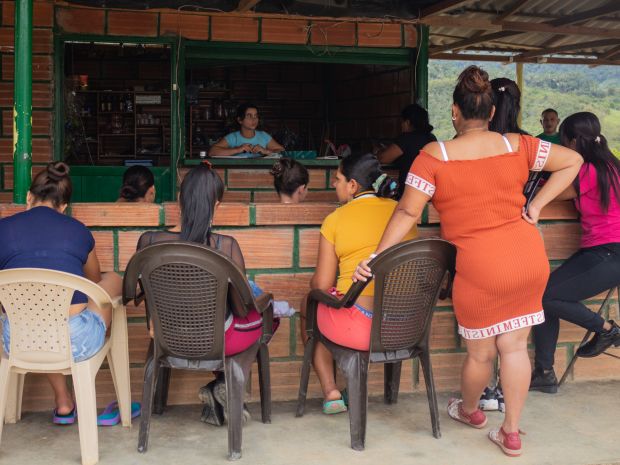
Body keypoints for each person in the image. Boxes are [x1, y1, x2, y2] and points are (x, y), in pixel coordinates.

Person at [353, 66, 582, 457]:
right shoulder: (517, 145)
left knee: (481, 352)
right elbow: (573, 160)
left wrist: (376, 256)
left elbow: (407, 213)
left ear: (455, 112)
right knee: (514, 347)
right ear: (492, 113)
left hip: (480, 265)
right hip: (528, 257)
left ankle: (471, 411)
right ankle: (511, 432)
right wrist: (537, 204)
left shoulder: (433, 156)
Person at [136, 163, 278, 426]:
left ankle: (217, 394)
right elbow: (242, 307)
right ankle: (228, 385)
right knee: (263, 320)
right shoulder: (225, 246)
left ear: (180, 199)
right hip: (216, 341)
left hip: (167, 338)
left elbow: (141, 292)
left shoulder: (149, 242)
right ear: (217, 205)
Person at [0, 162, 122, 425]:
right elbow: (93, 282)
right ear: (64, 206)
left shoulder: (3, 229)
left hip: (17, 339)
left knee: (44, 320)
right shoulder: (78, 230)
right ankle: (107, 387)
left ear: (29, 197)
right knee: (111, 281)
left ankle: (64, 402)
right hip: (75, 341)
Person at [301, 153, 415, 414]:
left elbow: (321, 283)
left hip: (359, 327)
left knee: (311, 306)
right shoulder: (403, 214)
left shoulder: (336, 219)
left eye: (338, 179)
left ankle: (331, 392)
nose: (334, 184)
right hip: (405, 326)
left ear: (352, 185)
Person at [531, 112, 620, 394]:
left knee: (546, 296)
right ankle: (543, 373)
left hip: (608, 253)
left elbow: (552, 194)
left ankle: (607, 330)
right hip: (604, 252)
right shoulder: (612, 165)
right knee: (545, 296)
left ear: (571, 141)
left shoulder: (587, 171)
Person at [478, 77, 529, 413]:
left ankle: (486, 391)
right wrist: (535, 206)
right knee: (513, 340)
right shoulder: (527, 144)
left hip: (480, 245)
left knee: (482, 333)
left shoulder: (472, 144)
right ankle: (507, 408)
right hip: (522, 244)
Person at [376, 103, 436, 199]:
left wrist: (378, 151)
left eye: (402, 122)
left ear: (407, 122)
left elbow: (384, 158)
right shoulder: (431, 138)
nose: (401, 125)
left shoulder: (406, 138)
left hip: (409, 193)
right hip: (428, 190)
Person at [208, 103, 284, 158]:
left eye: (256, 116)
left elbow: (283, 151)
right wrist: (238, 149)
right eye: (249, 116)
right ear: (240, 120)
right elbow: (212, 152)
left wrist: (265, 151)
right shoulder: (233, 137)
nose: (254, 119)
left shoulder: (263, 136)